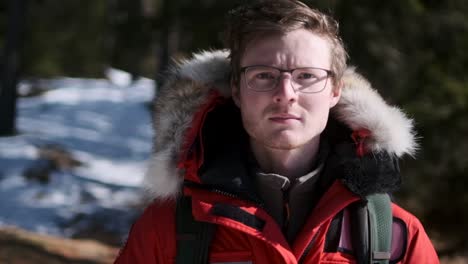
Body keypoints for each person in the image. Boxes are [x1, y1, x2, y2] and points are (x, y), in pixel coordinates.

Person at [115, 0, 439, 263]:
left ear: (336, 91)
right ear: (237, 90)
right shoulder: (167, 229)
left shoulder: (396, 237)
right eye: (264, 75)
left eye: (307, 76)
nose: (286, 92)